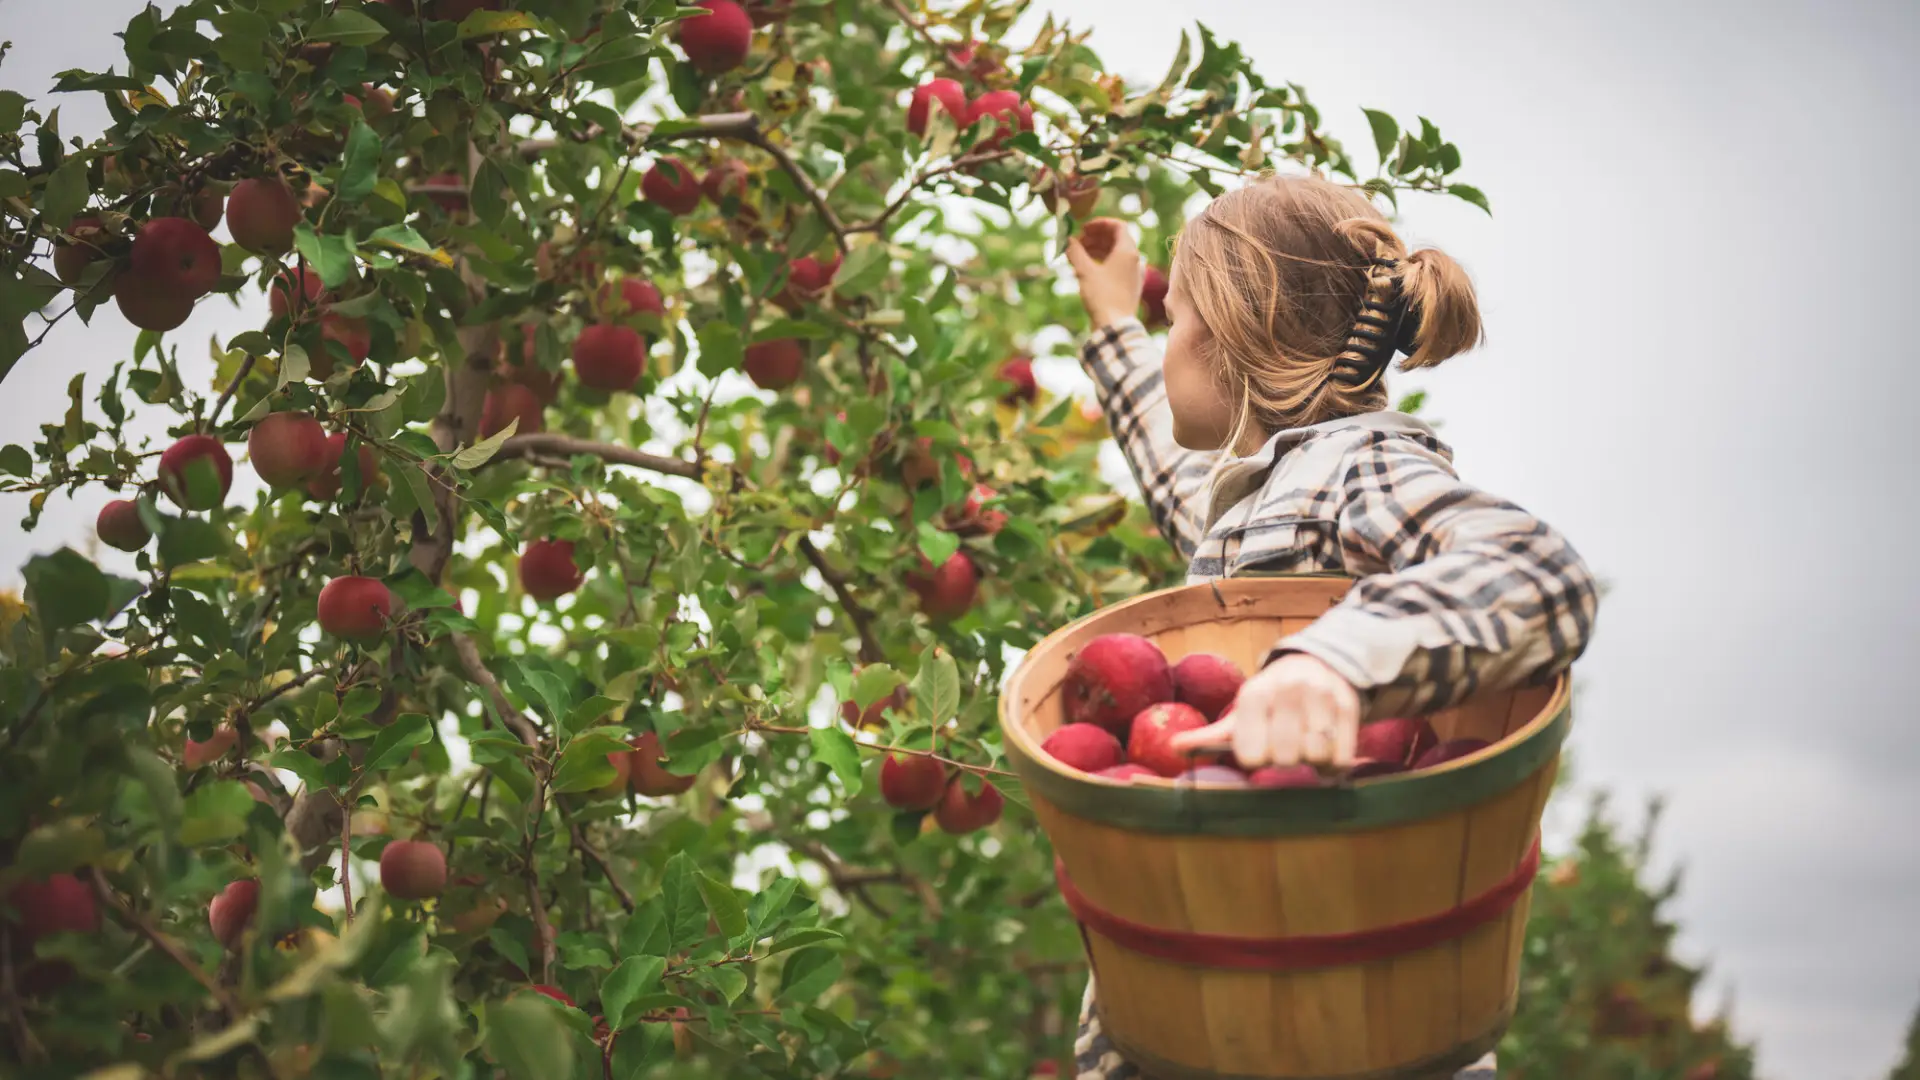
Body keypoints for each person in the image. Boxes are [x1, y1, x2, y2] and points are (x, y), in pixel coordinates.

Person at [1061, 174, 1600, 1080]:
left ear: (1230, 334)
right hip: (1236, 1011)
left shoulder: (1362, 463)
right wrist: (1115, 317)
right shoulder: (1260, 498)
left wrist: (1332, 666)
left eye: (1173, 319)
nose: (1165, 349)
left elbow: (1535, 571)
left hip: (1351, 1009)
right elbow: (1170, 469)